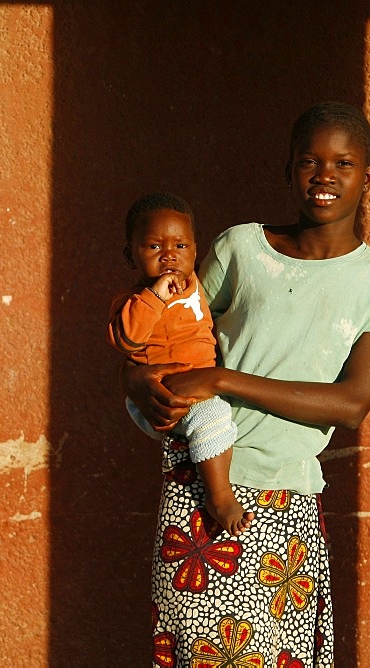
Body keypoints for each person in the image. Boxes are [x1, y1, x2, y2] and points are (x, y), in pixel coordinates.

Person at [124, 102, 370, 666]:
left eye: (344, 163)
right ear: (288, 170)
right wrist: (135, 376)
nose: (325, 176)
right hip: (204, 491)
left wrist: (223, 378)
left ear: (369, 174)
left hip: (290, 500)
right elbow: (165, 334)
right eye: (309, 161)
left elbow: (353, 403)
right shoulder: (242, 249)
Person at [108, 192, 250, 537]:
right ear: (132, 256)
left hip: (194, 392)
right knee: (213, 416)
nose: (170, 255)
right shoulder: (133, 300)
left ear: (195, 252)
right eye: (154, 248)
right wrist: (154, 296)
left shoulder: (196, 285)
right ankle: (220, 498)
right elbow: (126, 340)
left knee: (215, 417)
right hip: (161, 397)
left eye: (181, 247)